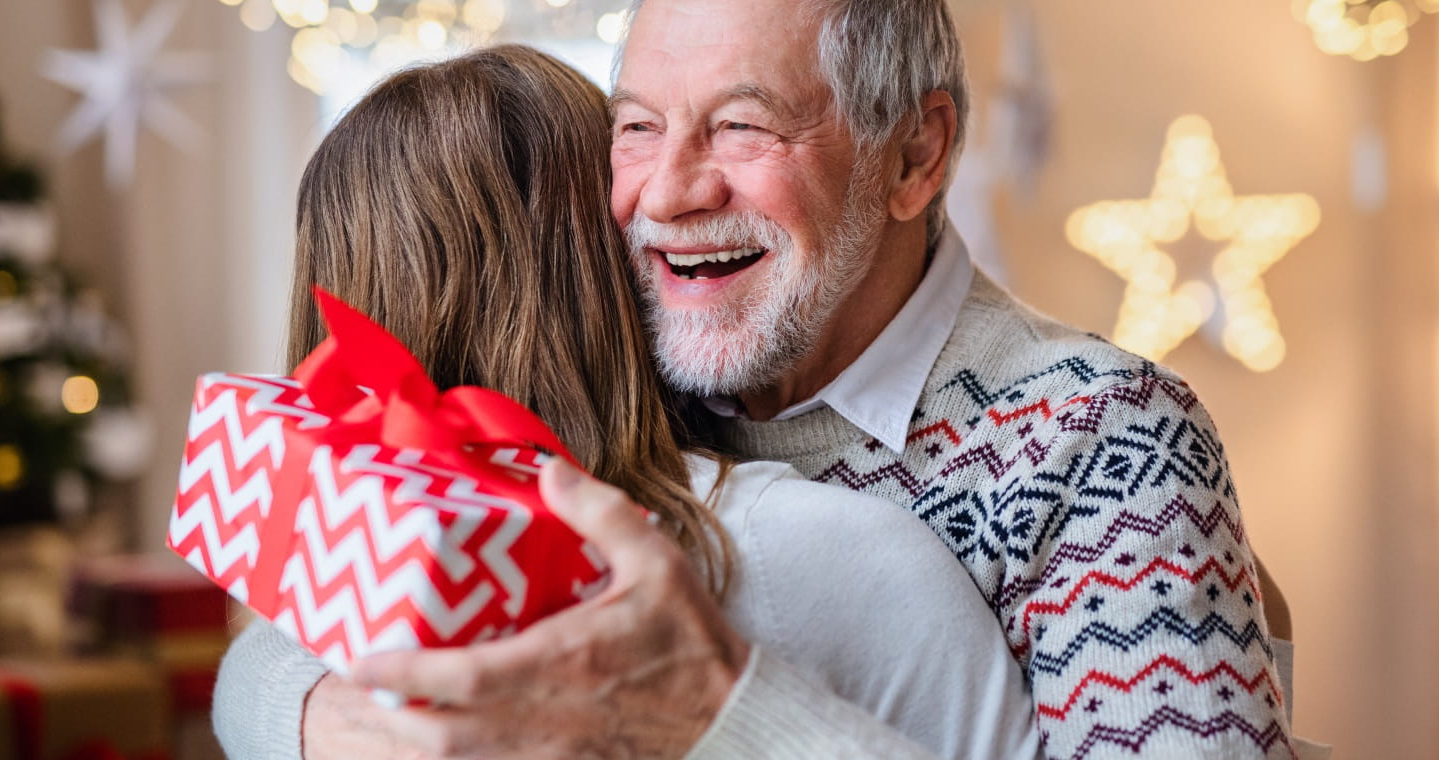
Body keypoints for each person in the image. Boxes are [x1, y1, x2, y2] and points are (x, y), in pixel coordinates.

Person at [317, 0, 1324, 758]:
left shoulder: (1104, 439)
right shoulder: (616, 375)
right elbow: (280, 642)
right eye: (636, 128)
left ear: (913, 155)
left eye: (742, 127)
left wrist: (727, 715)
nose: (667, 193)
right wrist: (326, 719)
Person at [210, 44, 1042, 760]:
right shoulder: (817, 551)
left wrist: (292, 710)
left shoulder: (344, 573)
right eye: (637, 148)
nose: (672, 202)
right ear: (605, 260)